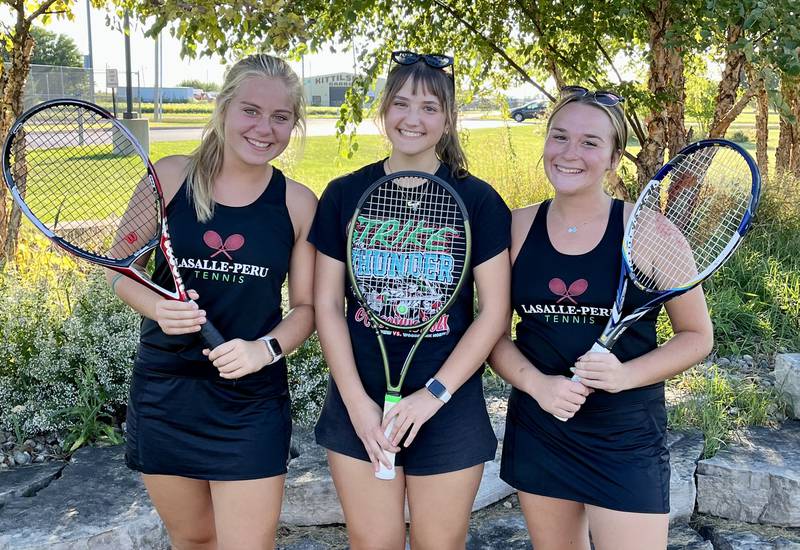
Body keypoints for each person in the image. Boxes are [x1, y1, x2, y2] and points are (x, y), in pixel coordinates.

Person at [488, 86, 714, 550]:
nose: (570, 153)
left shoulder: (650, 230)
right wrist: (538, 386)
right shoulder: (514, 227)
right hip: (542, 426)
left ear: (613, 159)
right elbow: (490, 332)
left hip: (625, 436)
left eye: (590, 142)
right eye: (559, 137)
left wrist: (624, 374)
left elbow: (696, 336)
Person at [106, 54, 317, 549]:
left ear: (293, 124)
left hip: (251, 403)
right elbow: (120, 270)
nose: (264, 128)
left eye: (280, 117)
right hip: (166, 392)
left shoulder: (298, 203)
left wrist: (263, 350)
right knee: (194, 540)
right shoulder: (170, 177)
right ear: (223, 108)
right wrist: (157, 307)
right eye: (250, 110)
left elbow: (306, 310)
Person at [308, 51, 511, 549]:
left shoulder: (479, 201)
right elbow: (327, 306)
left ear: (447, 119)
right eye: (401, 104)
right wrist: (357, 405)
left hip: (448, 408)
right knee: (372, 542)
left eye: (428, 107)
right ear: (384, 110)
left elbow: (494, 312)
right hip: (361, 404)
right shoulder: (343, 194)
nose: (412, 118)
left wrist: (433, 394)